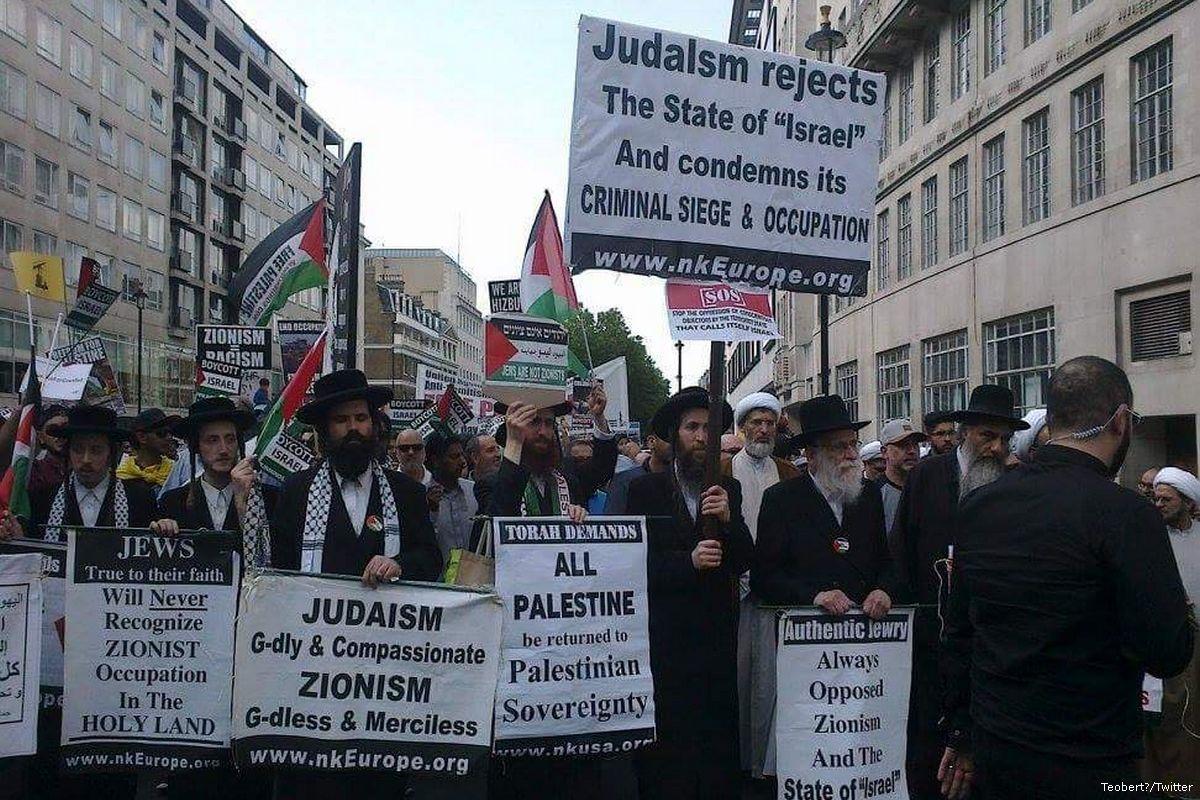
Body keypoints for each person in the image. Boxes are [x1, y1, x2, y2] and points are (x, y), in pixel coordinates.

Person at [940, 356, 1193, 800]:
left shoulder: (980, 505)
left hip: (997, 749)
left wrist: (961, 731)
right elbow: (1166, 651)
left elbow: (959, 632)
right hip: (1091, 759)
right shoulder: (1127, 515)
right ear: (1120, 421)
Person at [257, 369, 441, 798]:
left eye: (360, 418)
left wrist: (399, 563)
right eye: (341, 420)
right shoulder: (296, 492)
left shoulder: (406, 493)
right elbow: (277, 572)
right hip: (312, 677)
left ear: (374, 424)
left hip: (386, 679)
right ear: (324, 430)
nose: (353, 428)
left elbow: (430, 559)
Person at [0, 404, 174, 800]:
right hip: (55, 658)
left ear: (111, 454)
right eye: (78, 450)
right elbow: (27, 556)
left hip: (116, 657)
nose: (86, 460)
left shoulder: (140, 500)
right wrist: (15, 539)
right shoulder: (43, 497)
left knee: (109, 768)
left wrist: (164, 531)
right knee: (51, 759)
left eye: (96, 450)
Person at [890, 384, 1030, 800]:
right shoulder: (927, 476)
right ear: (965, 432)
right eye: (987, 436)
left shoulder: (1017, 483)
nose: (996, 447)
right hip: (930, 646)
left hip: (991, 649)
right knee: (929, 762)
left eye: (1004, 439)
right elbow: (901, 552)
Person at [752, 395, 897, 786]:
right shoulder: (782, 500)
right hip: (808, 658)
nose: (850, 454)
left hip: (862, 652)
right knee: (811, 751)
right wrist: (815, 596)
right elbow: (765, 577)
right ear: (812, 455)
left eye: (852, 444)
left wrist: (884, 590)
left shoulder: (868, 497)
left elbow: (887, 562)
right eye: (839, 447)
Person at [479, 385, 616, 800]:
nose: (541, 431)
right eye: (532, 422)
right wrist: (513, 441)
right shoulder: (492, 481)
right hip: (515, 634)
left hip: (564, 633)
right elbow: (499, 515)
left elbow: (603, 467)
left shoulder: (566, 479)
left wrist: (599, 420)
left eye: (547, 424)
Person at [626, 386, 753, 799]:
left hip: (716, 646)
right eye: (692, 427)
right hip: (665, 649)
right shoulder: (645, 491)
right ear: (674, 435)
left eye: (709, 428)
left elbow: (744, 559)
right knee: (668, 762)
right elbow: (632, 567)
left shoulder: (728, 490)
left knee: (715, 756)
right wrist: (688, 563)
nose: (701, 437)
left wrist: (729, 522)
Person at [724, 392, 800, 784]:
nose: (763, 430)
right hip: (732, 592)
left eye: (770, 423)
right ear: (742, 428)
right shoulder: (722, 470)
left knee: (771, 680)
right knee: (737, 676)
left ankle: (766, 765)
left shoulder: (788, 473)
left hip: (775, 593)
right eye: (756, 422)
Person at [1144, 467, 1200, 794]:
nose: (1159, 505)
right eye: (1156, 498)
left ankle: (1185, 785)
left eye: (1167, 499)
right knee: (1161, 716)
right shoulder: (1150, 538)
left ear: (1188, 502)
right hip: (1163, 642)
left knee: (1191, 720)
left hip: (1196, 643)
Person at [157, 396, 276, 551]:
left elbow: (274, 557)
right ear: (196, 447)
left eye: (230, 439)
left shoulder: (268, 499)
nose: (224, 449)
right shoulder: (173, 502)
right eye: (212, 440)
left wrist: (244, 507)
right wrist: (161, 532)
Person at [423, 431, 478, 562]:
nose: (462, 462)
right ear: (436, 460)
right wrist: (431, 511)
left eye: (462, 455)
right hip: (438, 573)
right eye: (454, 457)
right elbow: (420, 543)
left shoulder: (474, 491)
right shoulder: (420, 495)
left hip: (474, 572)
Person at [604, 429, 671, 515]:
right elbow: (614, 519)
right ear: (651, 442)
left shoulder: (684, 480)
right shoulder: (625, 480)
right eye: (670, 440)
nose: (677, 445)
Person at [878, 419, 927, 535]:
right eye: (903, 445)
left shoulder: (929, 487)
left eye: (915, 444)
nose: (912, 451)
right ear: (884, 452)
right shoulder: (876, 493)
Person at [116, 407, 181, 490]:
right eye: (162, 433)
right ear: (142, 437)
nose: (169, 437)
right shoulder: (121, 475)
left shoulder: (176, 472)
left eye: (170, 432)